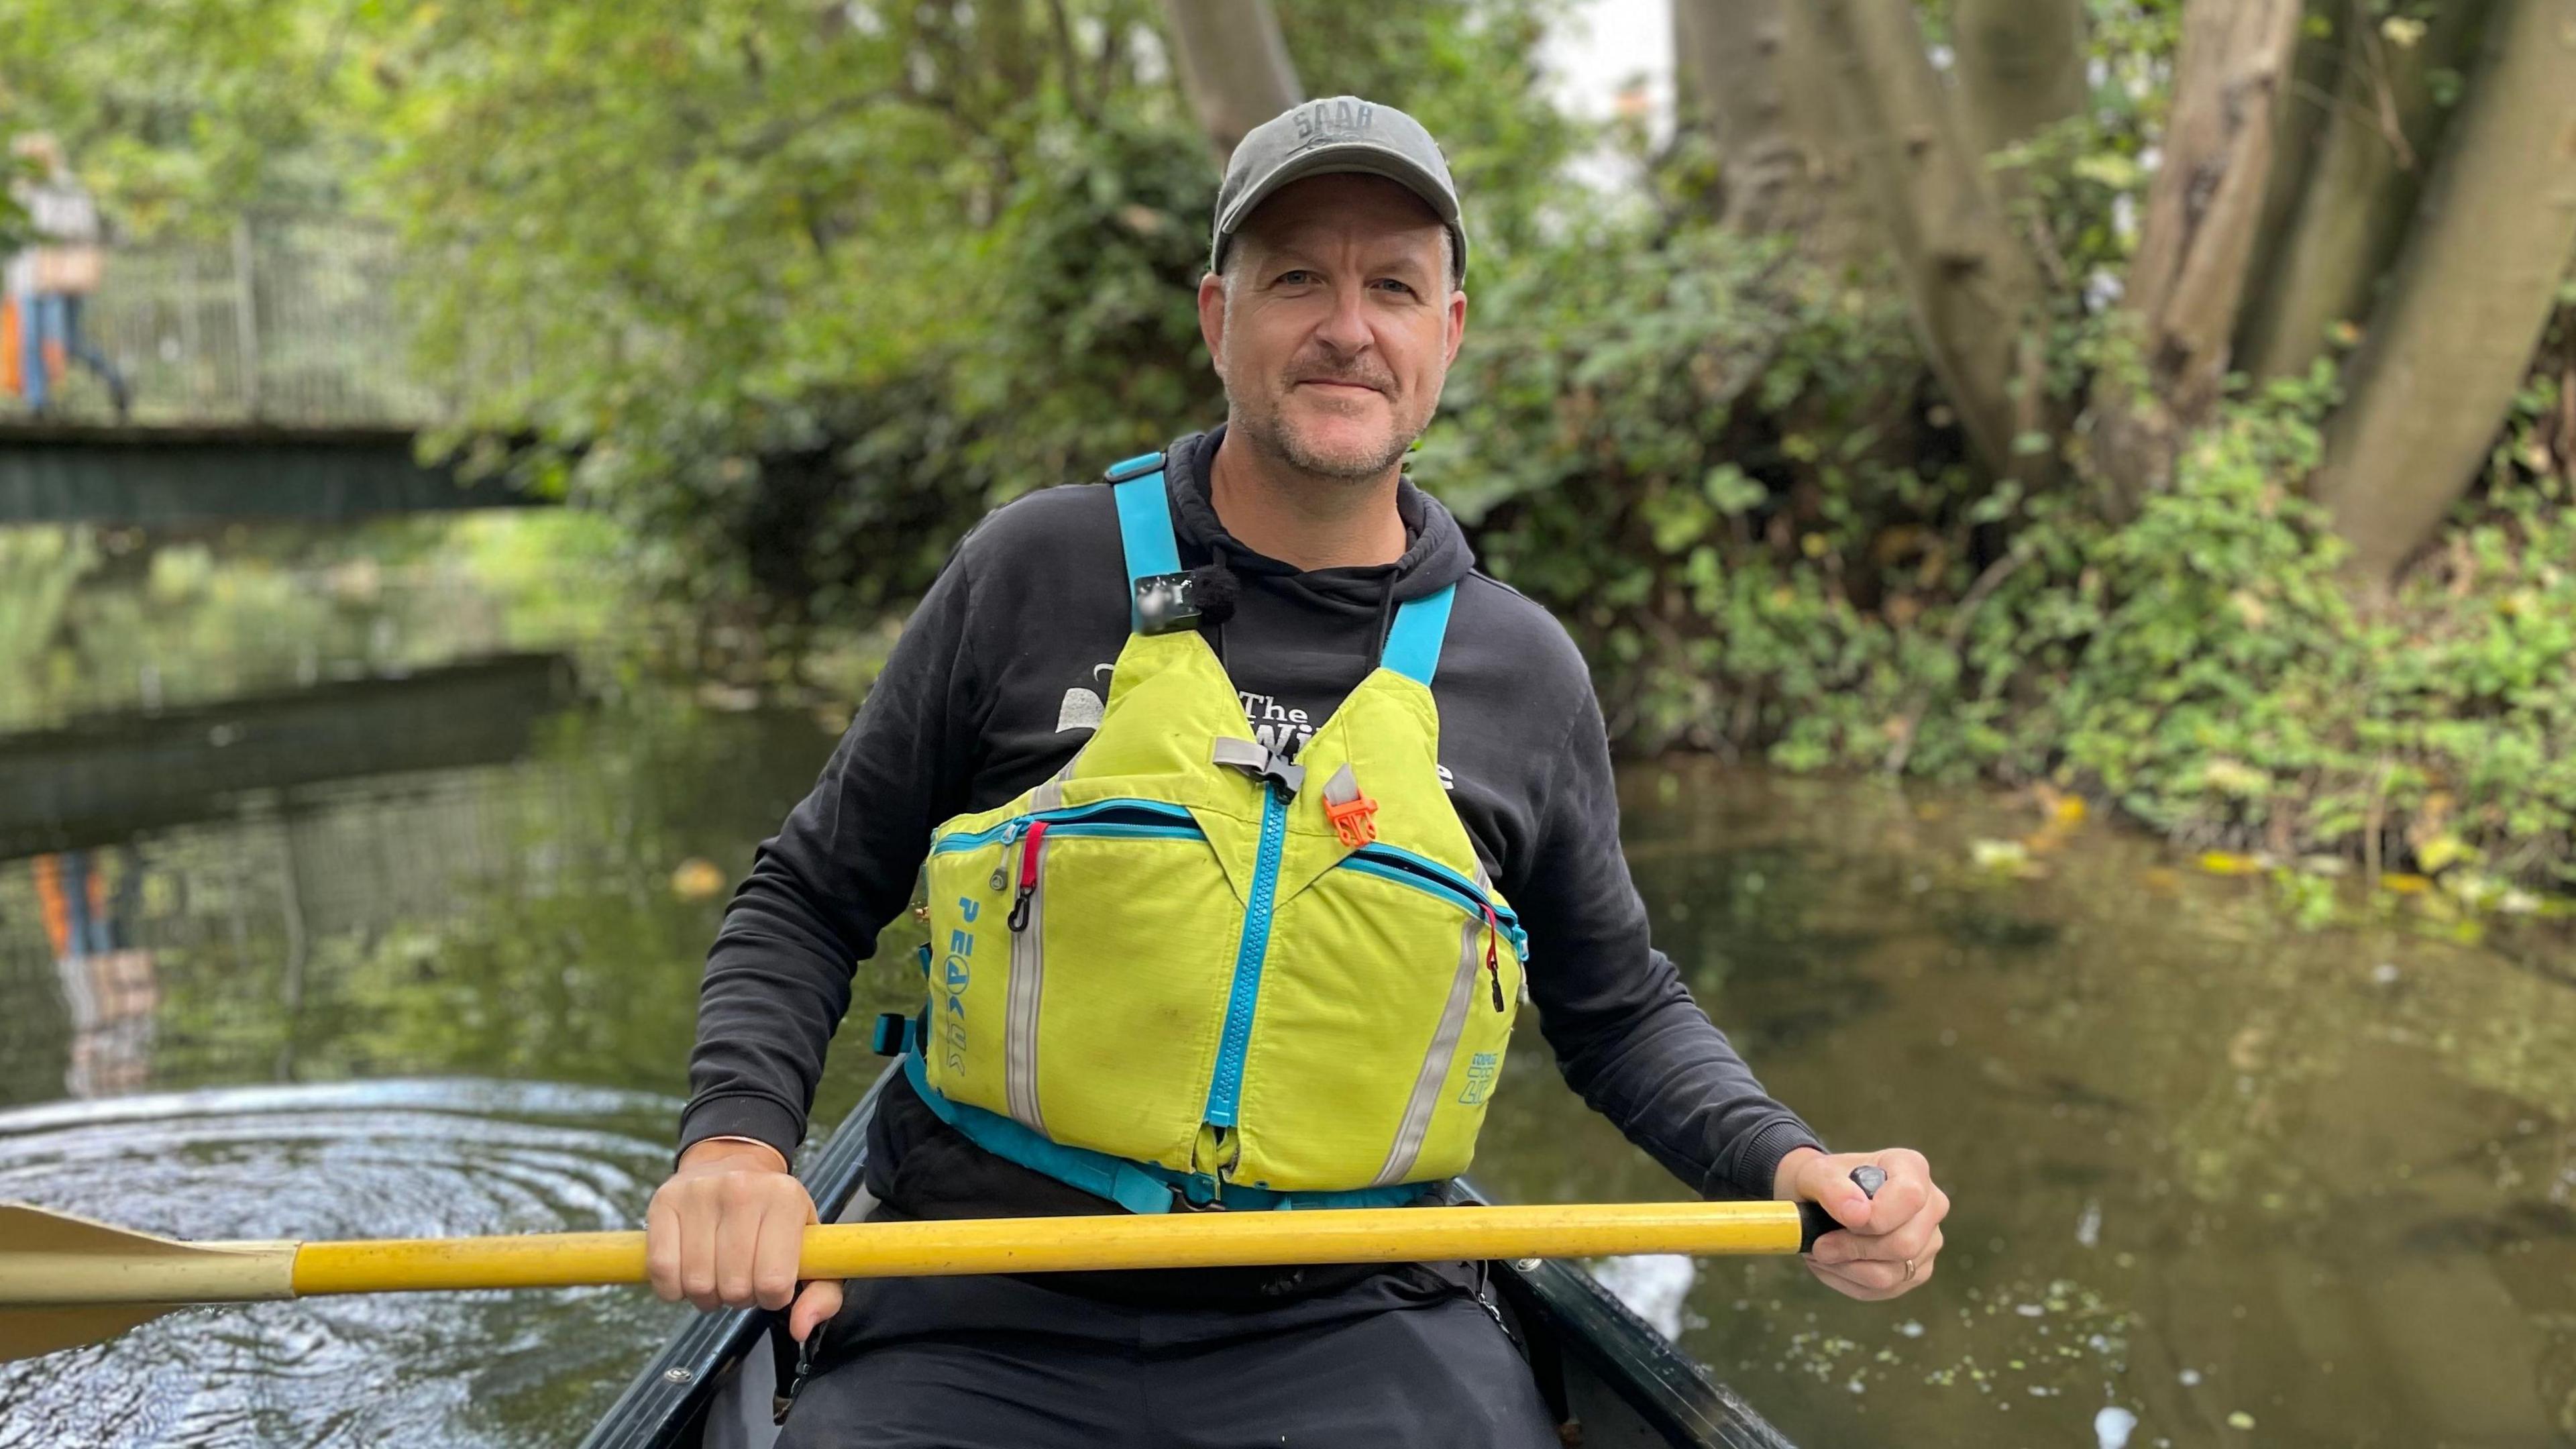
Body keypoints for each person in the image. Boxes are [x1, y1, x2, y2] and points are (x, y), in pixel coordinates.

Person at [651, 97, 1951, 1447]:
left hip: (1362, 1321)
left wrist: (1789, 1163)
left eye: (1394, 284)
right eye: (1297, 281)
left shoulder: (1525, 673)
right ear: (1219, 318)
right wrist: (739, 1149)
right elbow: (808, 897)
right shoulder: (1031, 571)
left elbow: (1618, 1014)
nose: (1350, 327)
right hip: (981, 1299)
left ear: (1446, 333)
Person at [8, 133, 129, 420]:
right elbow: (14, 243)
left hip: (60, 279)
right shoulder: (20, 192)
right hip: (28, 279)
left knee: (67, 344)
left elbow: (84, 228)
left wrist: (50, 235)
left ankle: (115, 380)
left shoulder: (67, 188)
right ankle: (38, 406)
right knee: (31, 342)